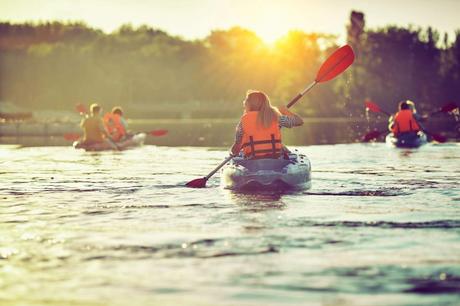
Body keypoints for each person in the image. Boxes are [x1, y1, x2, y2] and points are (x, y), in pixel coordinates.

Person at [230, 90, 303, 159]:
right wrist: (286, 112)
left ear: (248, 104)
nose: (244, 103)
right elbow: (299, 121)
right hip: (275, 157)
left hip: (252, 159)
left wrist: (234, 151)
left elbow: (235, 149)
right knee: (282, 147)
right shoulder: (276, 116)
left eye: (245, 101)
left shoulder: (243, 122)